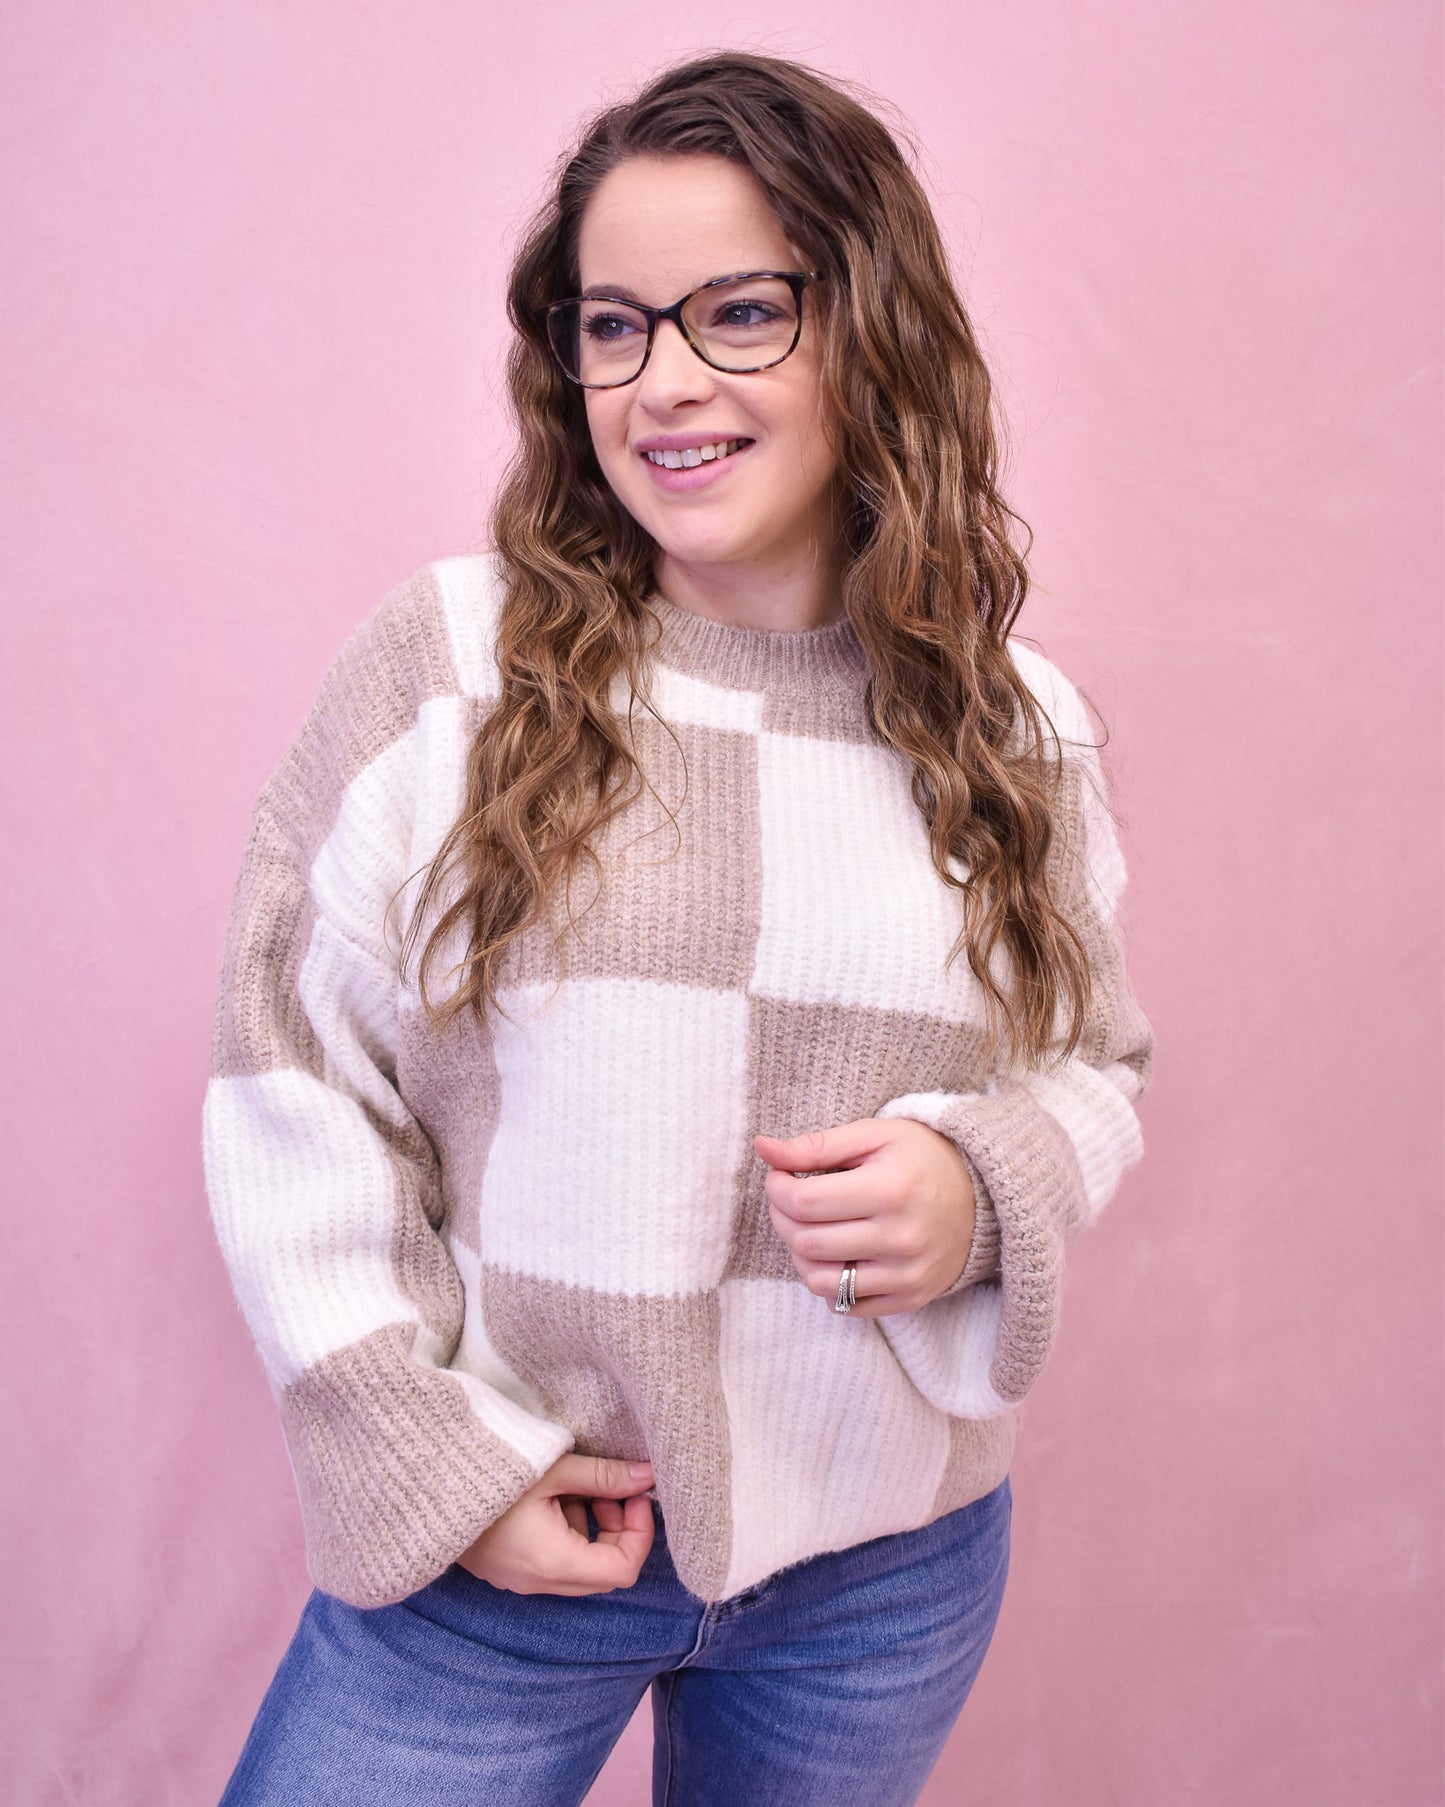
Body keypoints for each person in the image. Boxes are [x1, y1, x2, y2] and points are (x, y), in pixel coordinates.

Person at [203, 49, 1153, 1807]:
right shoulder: (449, 666)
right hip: (504, 1547)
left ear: (869, 327)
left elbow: (1094, 1067)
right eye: (613, 325)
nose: (662, 383)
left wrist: (986, 1184)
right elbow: (289, 1076)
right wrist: (436, 1463)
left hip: (885, 1570)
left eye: (737, 313)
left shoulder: (1021, 723)